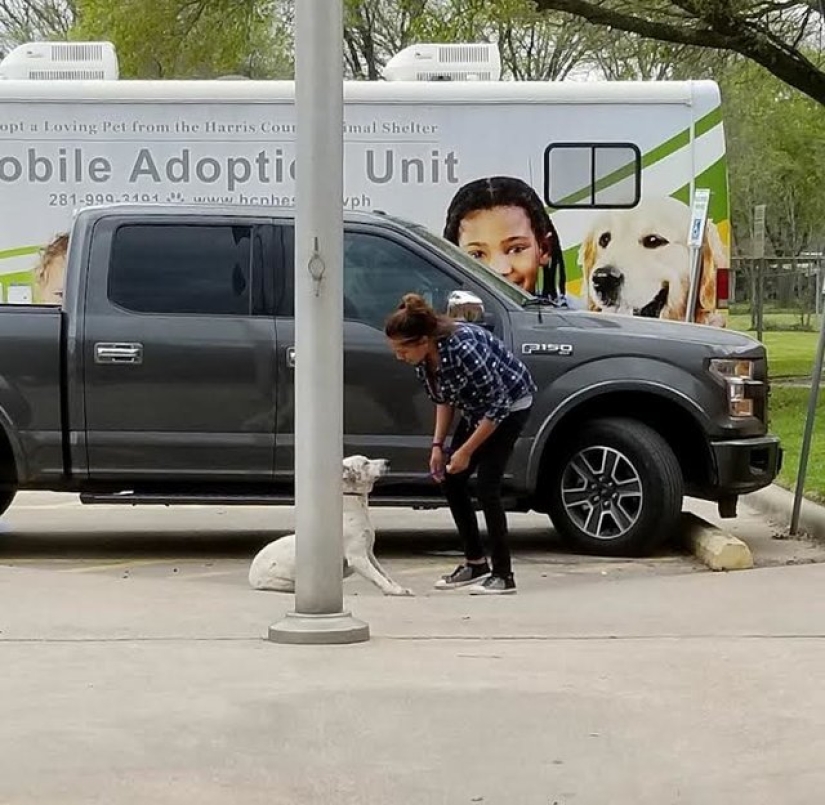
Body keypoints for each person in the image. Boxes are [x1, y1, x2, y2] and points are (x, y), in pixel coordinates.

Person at [384, 293, 537, 595]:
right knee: (452, 480)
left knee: (487, 487)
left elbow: (498, 406)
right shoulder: (423, 360)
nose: (399, 356)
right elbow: (443, 399)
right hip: (477, 408)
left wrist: (466, 451)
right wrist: (438, 447)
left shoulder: (462, 349)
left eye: (403, 349)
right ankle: (475, 562)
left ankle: (503, 574)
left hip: (510, 406)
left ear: (424, 340)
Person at [443, 175, 574, 307]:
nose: (499, 270)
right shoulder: (436, 325)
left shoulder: (576, 321)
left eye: (516, 249)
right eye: (476, 255)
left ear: (544, 249)